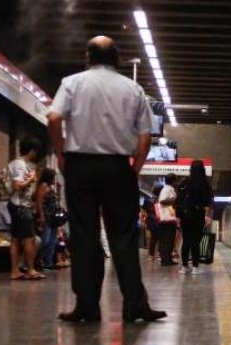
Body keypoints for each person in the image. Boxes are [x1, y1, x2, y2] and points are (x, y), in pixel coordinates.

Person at [47, 35, 166, 322]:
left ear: (87, 58)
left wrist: (62, 155)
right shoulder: (133, 88)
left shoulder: (72, 83)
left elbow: (53, 118)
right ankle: (135, 306)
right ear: (118, 59)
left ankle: (87, 306)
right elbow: (145, 135)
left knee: (85, 236)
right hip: (117, 168)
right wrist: (134, 167)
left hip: (80, 166)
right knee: (124, 237)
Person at [7, 137, 45, 280]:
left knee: (16, 239)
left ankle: (15, 271)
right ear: (32, 151)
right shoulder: (20, 164)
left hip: (16, 204)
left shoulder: (17, 163)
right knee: (30, 239)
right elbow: (17, 185)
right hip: (21, 206)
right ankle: (30, 270)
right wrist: (32, 179)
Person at [176, 160, 212, 274]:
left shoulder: (184, 183)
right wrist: (207, 215)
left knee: (186, 240)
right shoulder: (205, 184)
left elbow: (178, 201)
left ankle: (184, 266)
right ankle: (195, 267)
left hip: (185, 215)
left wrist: (179, 215)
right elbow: (208, 201)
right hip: (198, 215)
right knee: (195, 241)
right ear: (202, 170)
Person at [34, 168, 58, 270]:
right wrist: (41, 216)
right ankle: (39, 260)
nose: (54, 179)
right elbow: (39, 201)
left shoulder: (51, 187)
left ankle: (48, 262)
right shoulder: (43, 186)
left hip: (53, 217)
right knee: (45, 240)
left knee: (53, 240)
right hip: (46, 216)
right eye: (53, 177)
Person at [157, 174, 179, 266]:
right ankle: (166, 260)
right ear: (173, 181)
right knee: (167, 240)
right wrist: (175, 200)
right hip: (167, 219)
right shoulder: (167, 189)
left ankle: (167, 259)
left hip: (169, 219)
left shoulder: (168, 189)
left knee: (168, 240)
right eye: (175, 180)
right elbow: (162, 201)